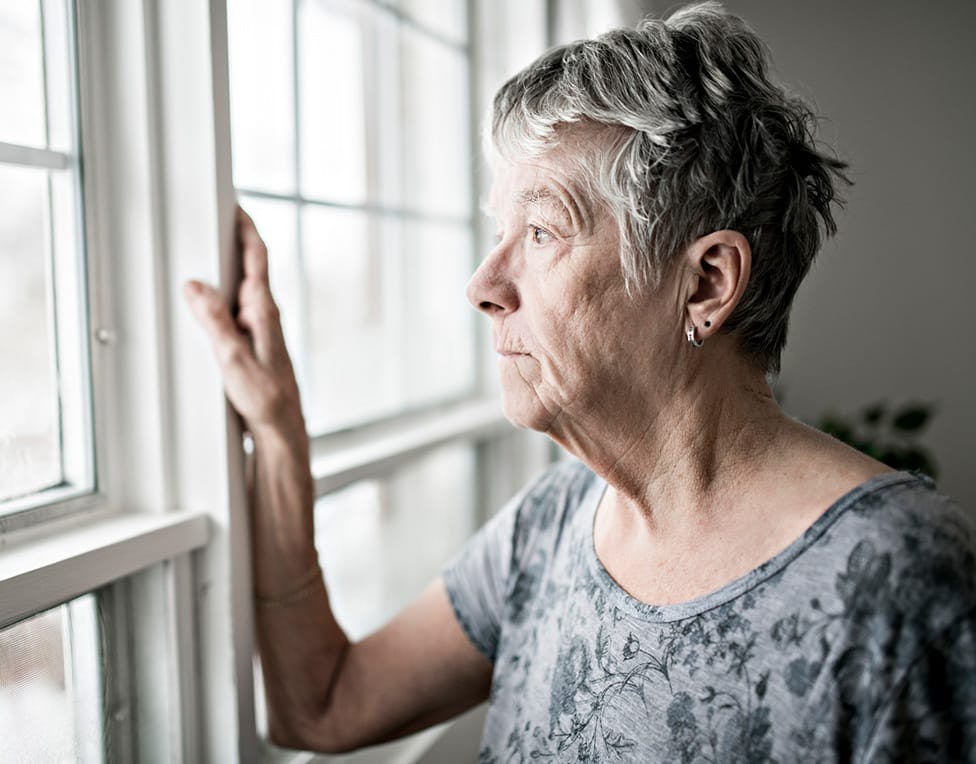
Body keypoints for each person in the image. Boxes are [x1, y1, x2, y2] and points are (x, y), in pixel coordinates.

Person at [184, 2, 976, 761]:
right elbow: (322, 704)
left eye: (540, 230)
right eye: (499, 233)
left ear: (704, 284)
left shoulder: (897, 578)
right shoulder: (550, 525)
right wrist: (280, 438)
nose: (484, 283)